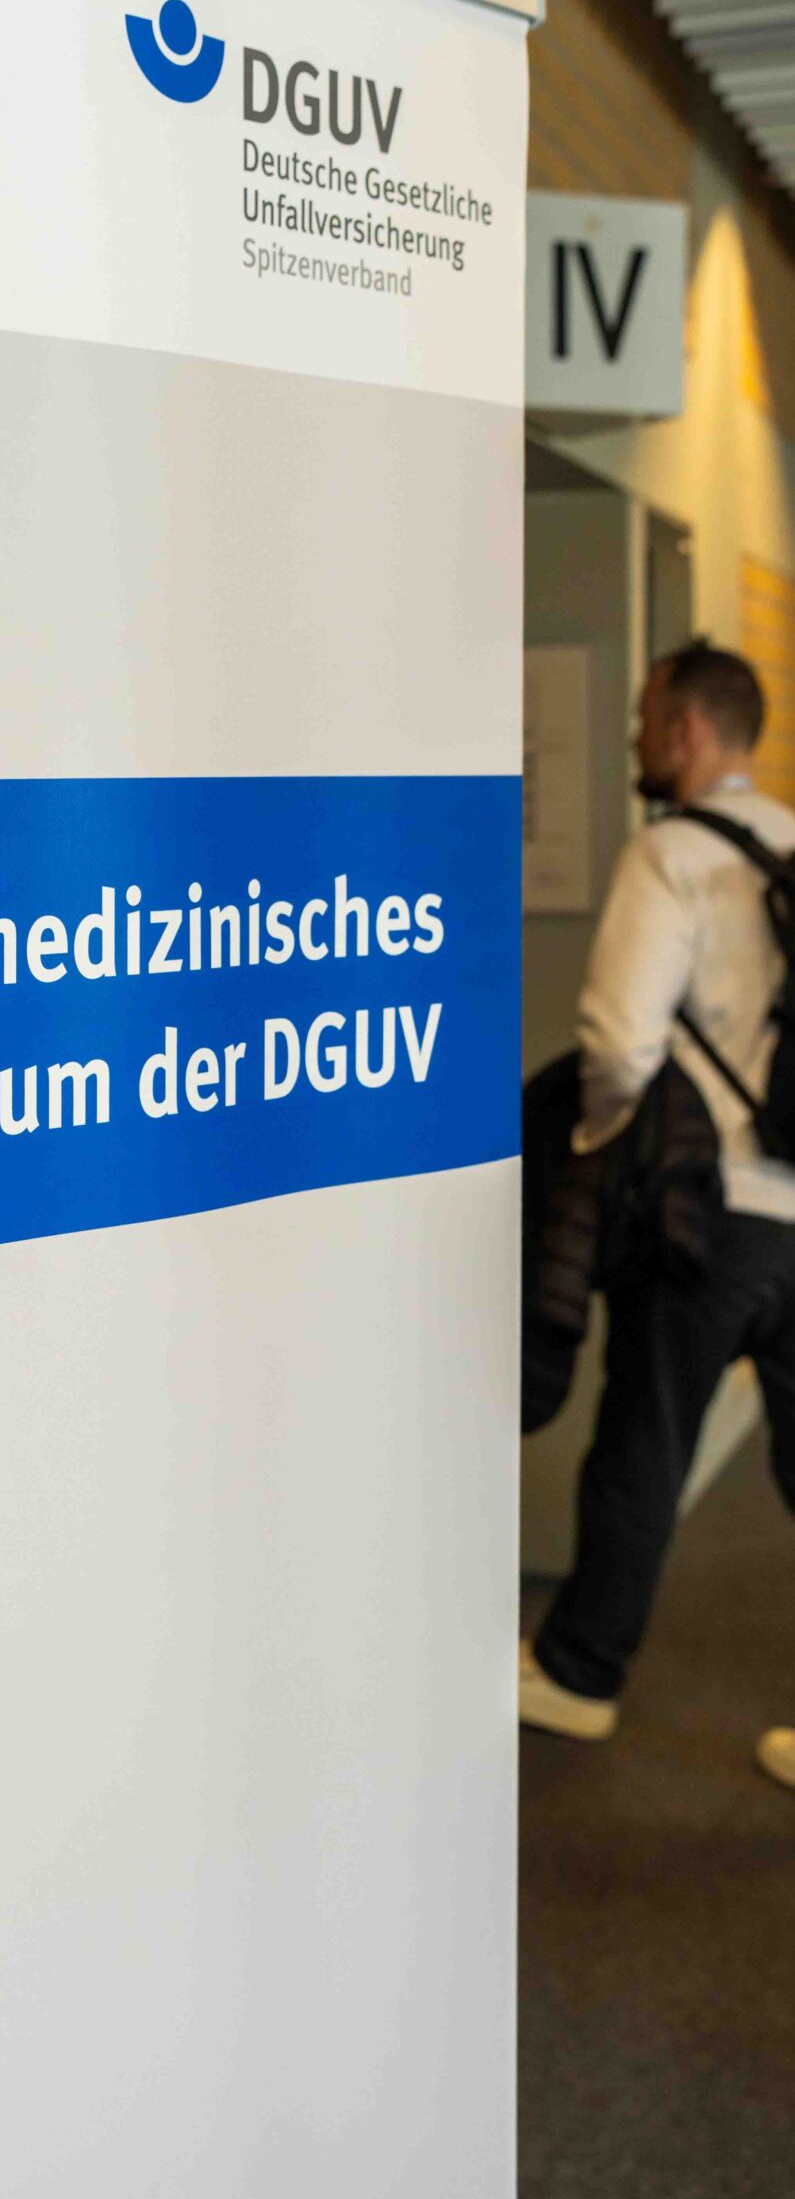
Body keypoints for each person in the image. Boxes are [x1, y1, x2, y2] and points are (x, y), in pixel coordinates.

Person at [519, 640, 795, 1784]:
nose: (635, 736)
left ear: (685, 729)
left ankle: (580, 1674)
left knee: (646, 1437)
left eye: (644, 717)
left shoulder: (670, 854)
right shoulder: (792, 842)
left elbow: (619, 1046)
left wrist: (594, 1158)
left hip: (706, 1212)